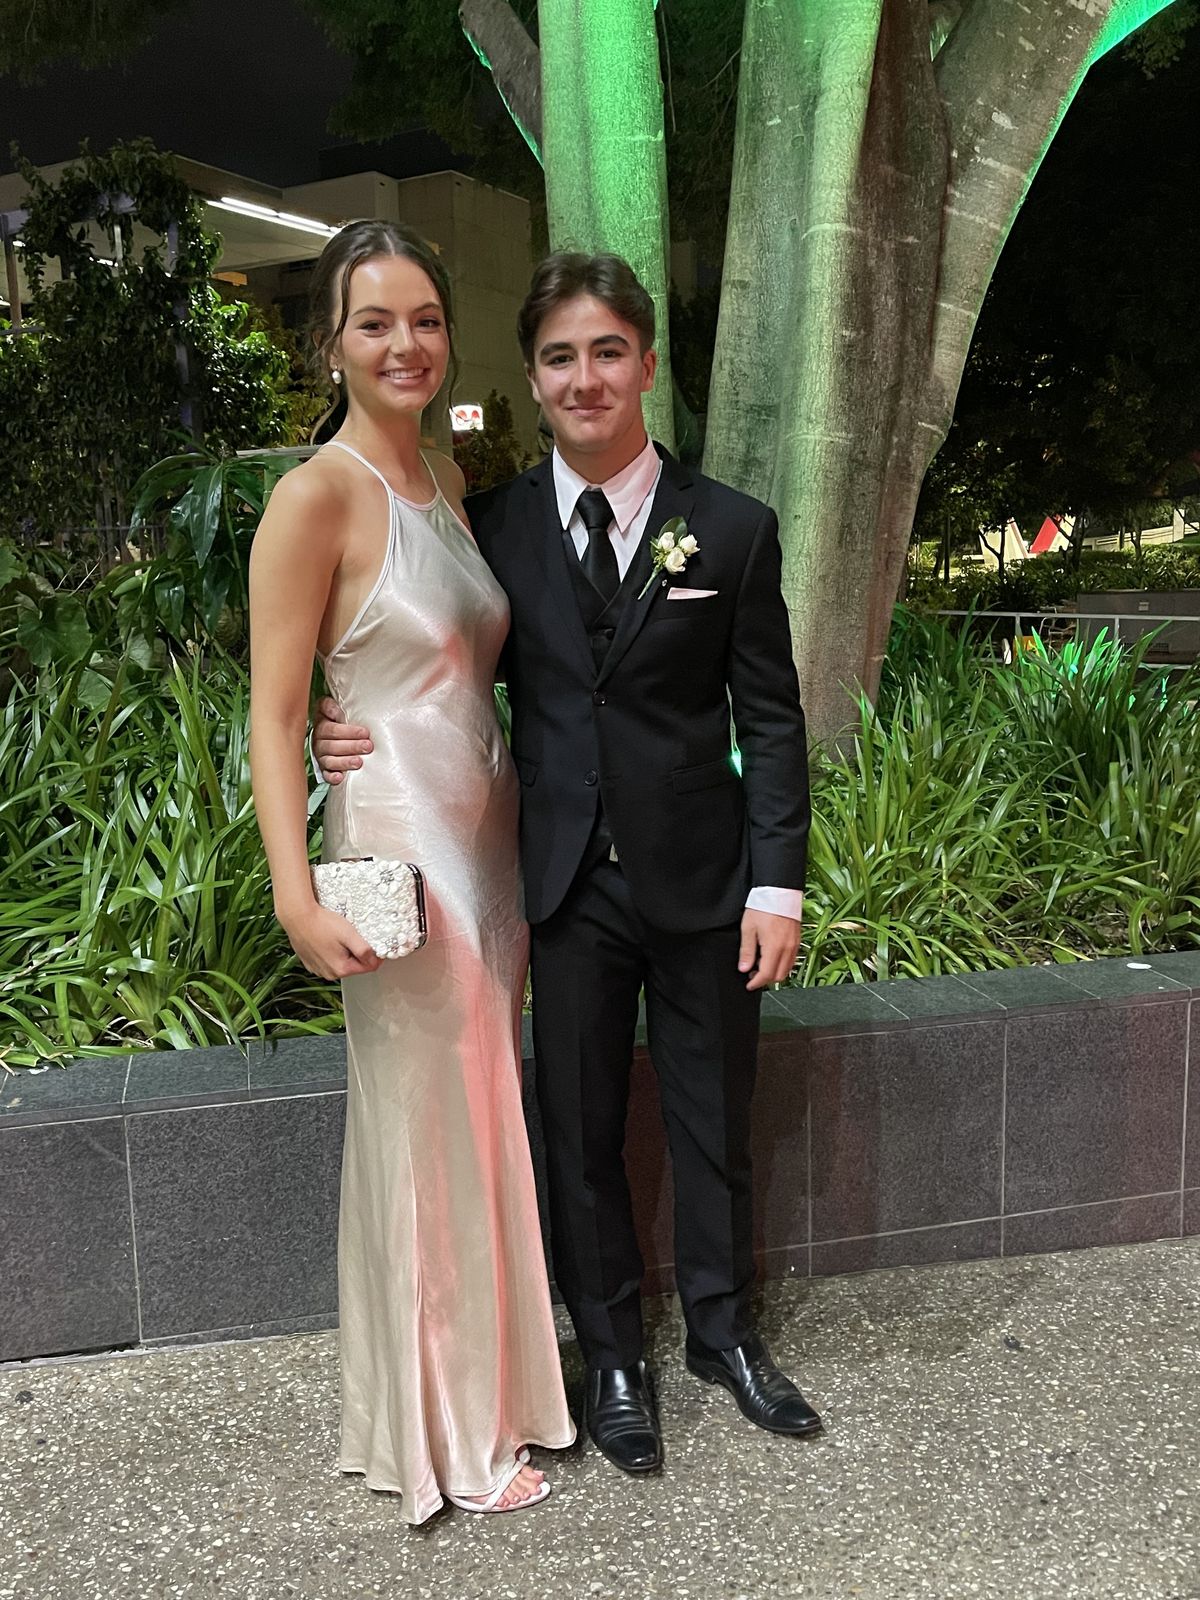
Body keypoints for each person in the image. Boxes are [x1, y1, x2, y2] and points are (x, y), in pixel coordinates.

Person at [314, 251, 822, 1477]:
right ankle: (612, 1358)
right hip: (557, 885)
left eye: (606, 351)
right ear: (534, 379)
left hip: (704, 881)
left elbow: (771, 719)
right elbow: (429, 662)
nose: (584, 377)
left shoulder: (732, 529)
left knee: (713, 1121)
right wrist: (341, 725)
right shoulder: (490, 530)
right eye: (558, 357)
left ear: (645, 364)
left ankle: (723, 1333)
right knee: (576, 1129)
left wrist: (778, 883)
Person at [248, 219, 575, 1524]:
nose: (406, 343)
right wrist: (294, 891)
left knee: (478, 1114)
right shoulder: (314, 496)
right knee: (424, 1129)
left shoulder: (442, 473)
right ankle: (448, 1441)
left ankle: (493, 1399)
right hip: (397, 847)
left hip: (488, 844)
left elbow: (444, 664)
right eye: (375, 321)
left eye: (426, 319)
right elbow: (277, 711)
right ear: (330, 341)